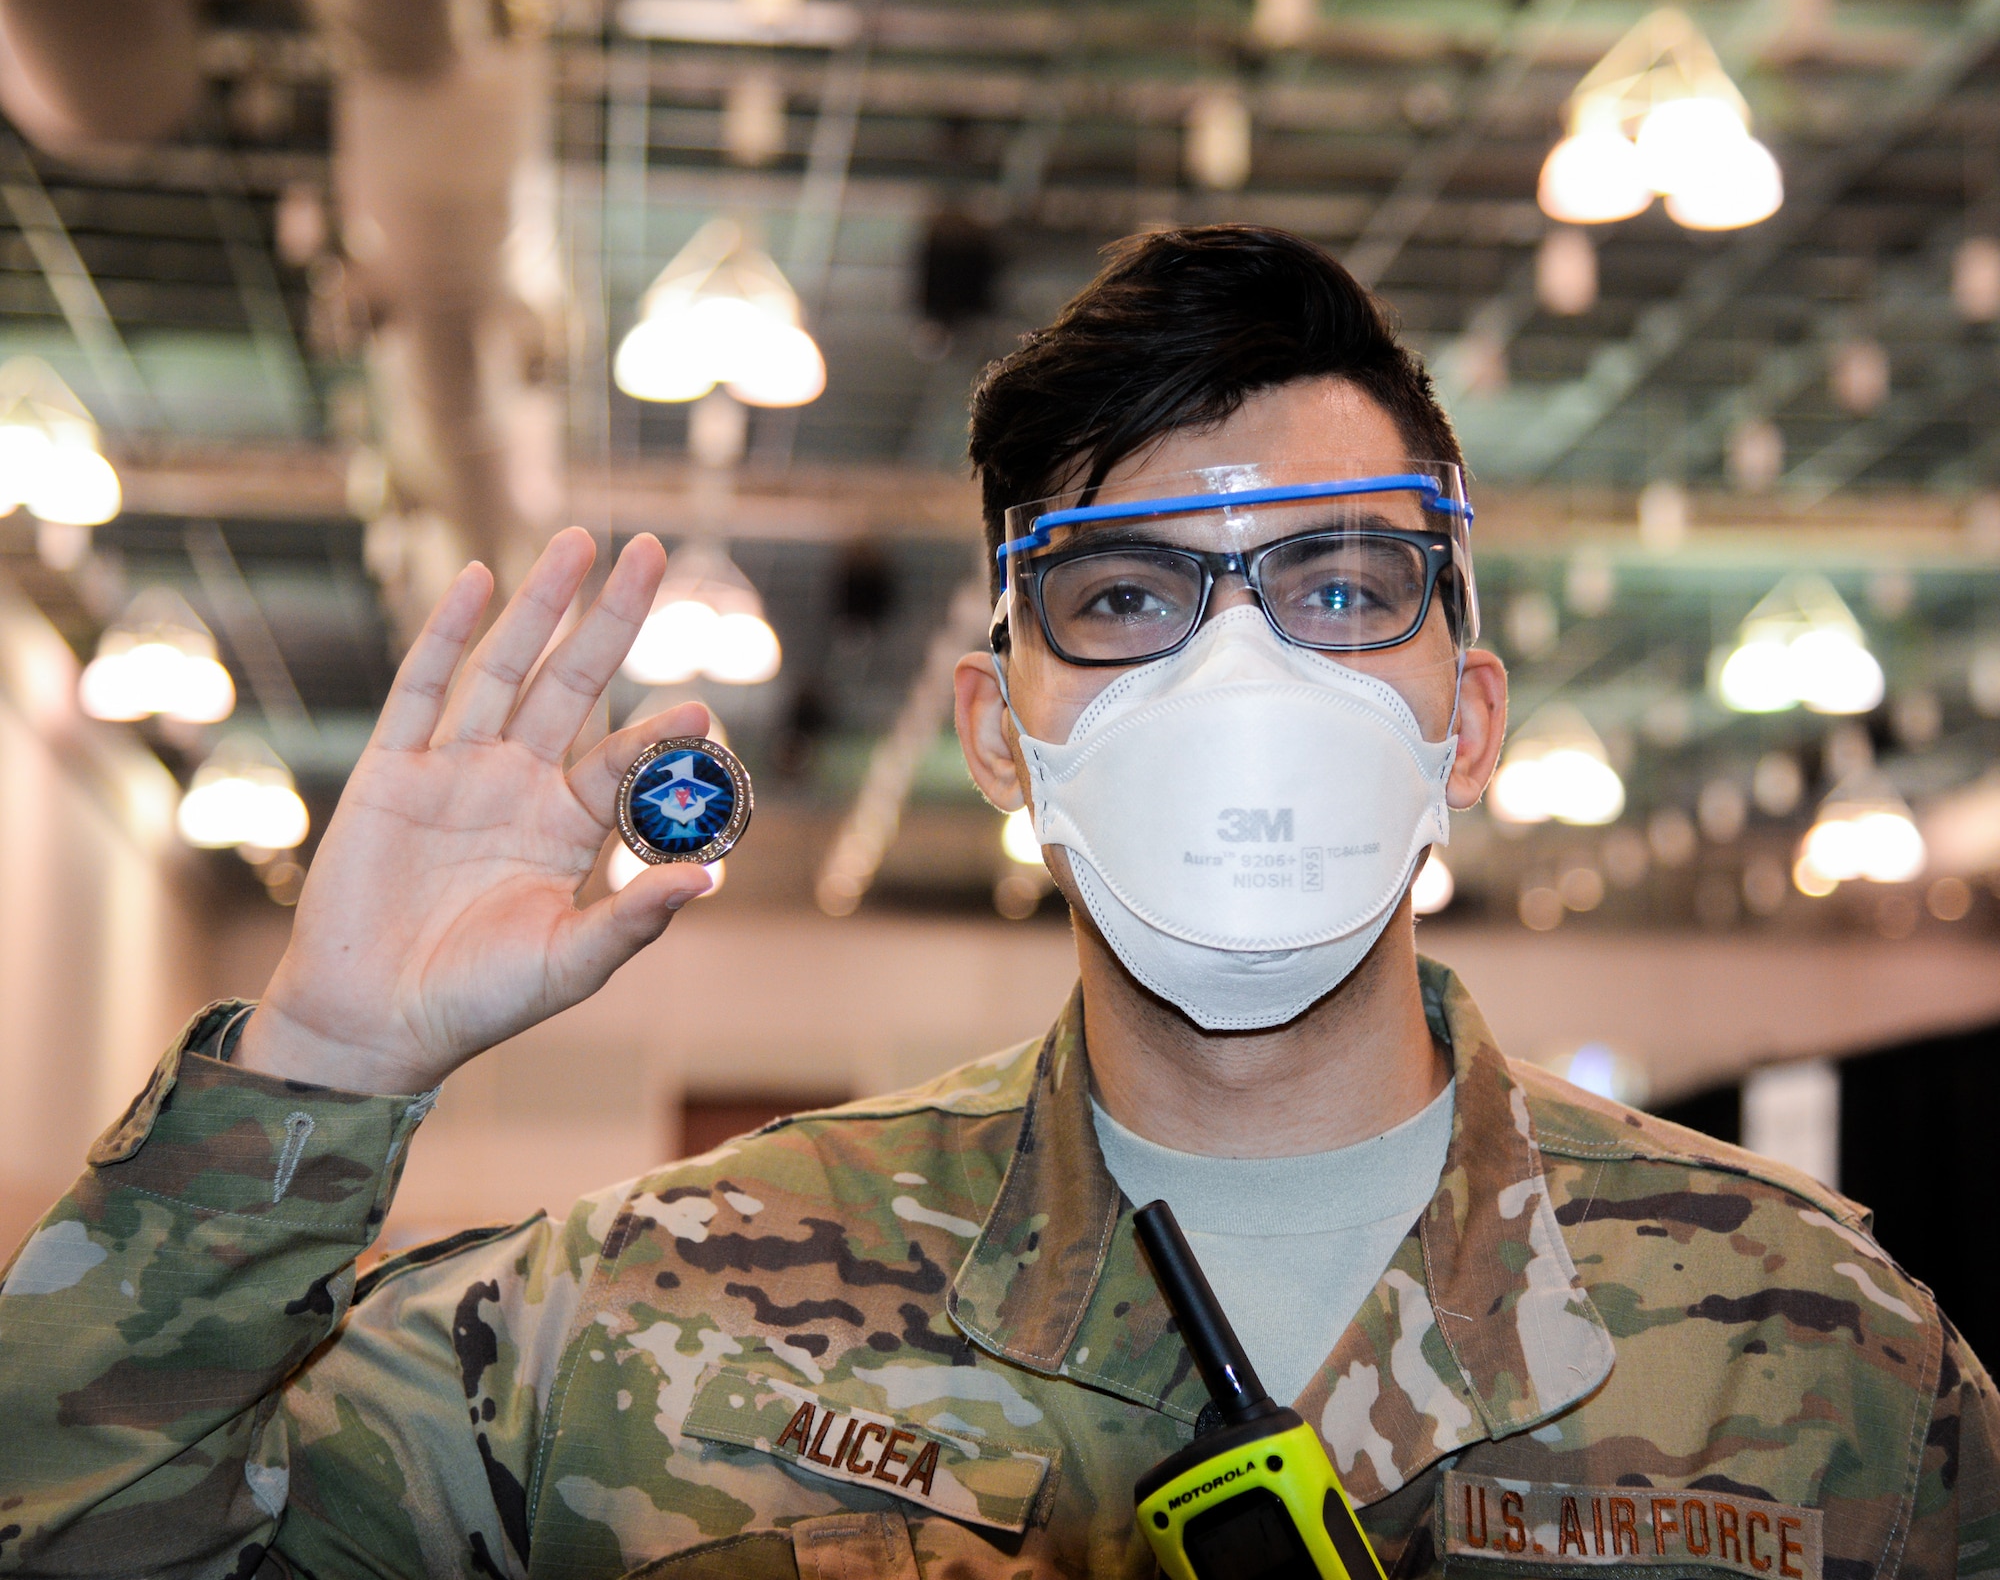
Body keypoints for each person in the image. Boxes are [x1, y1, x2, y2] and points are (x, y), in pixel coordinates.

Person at [2, 225, 1993, 1579]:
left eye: (1338, 585)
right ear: (997, 728)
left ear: (1462, 709)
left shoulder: (1819, 1346)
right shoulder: (648, 1317)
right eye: (1124, 599)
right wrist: (319, 1066)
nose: (1241, 680)